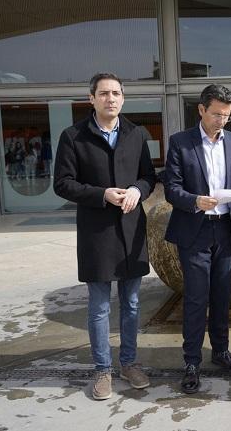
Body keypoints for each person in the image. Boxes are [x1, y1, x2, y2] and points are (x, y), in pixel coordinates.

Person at [54, 72, 156, 400]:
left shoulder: (137, 134)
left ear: (123, 98)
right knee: (99, 306)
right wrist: (102, 194)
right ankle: (102, 369)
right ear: (92, 99)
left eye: (116, 93)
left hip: (131, 229)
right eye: (103, 93)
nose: (110, 98)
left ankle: (129, 363)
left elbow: (148, 176)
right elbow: (63, 183)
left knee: (132, 303)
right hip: (97, 233)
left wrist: (138, 192)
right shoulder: (73, 137)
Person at [164, 84, 231, 394]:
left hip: (226, 229)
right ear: (201, 110)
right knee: (197, 298)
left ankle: (221, 353)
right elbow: (171, 188)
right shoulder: (180, 143)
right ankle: (192, 362)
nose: (221, 120)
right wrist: (195, 200)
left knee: (223, 296)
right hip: (194, 230)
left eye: (226, 115)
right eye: (216, 114)